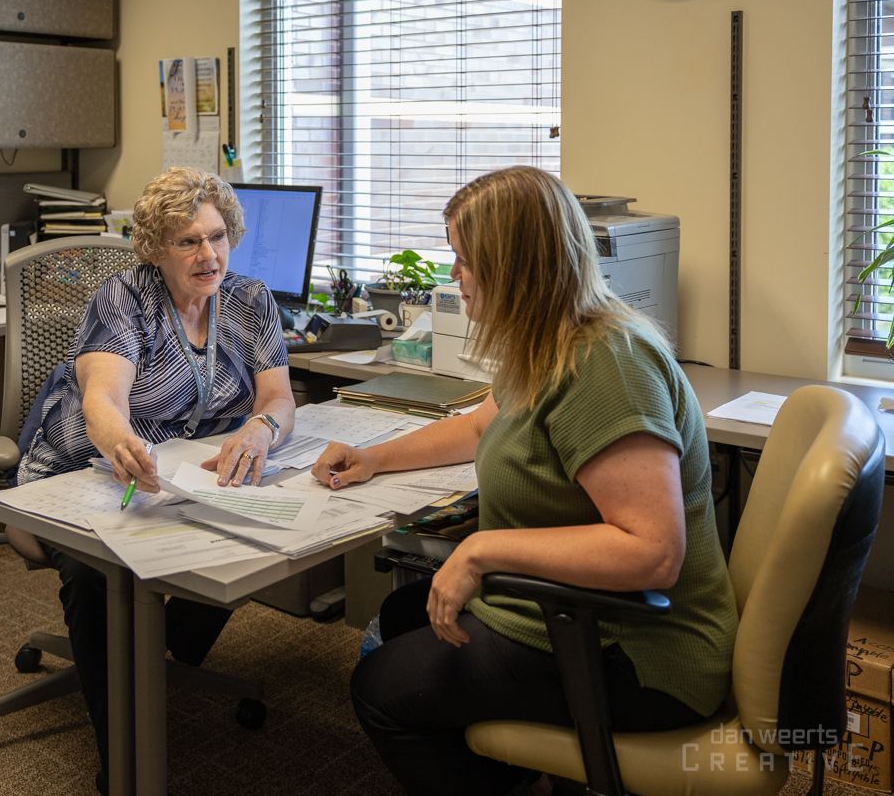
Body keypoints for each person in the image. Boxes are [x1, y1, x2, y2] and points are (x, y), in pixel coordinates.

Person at [311, 166, 737, 794]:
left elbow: (653, 551)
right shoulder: (544, 342)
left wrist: (482, 549)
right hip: (565, 609)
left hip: (641, 652)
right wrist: (379, 458)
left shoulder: (605, 365)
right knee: (402, 617)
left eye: (463, 260)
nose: (452, 274)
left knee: (379, 689)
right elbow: (484, 427)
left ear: (513, 267)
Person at [18, 167, 296, 792]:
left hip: (179, 478)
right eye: (189, 241)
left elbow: (278, 397)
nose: (209, 255)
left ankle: (155, 652)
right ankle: (121, 758)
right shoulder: (126, 298)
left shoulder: (250, 302)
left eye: (219, 236)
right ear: (154, 248)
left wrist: (260, 430)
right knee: (96, 574)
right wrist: (121, 443)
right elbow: (102, 397)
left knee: (253, 532)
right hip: (88, 468)